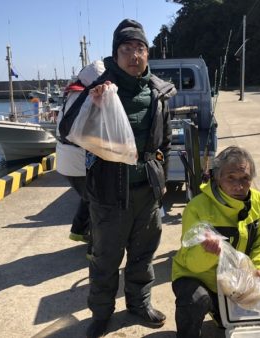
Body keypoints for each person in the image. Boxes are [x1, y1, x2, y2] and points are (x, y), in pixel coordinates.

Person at [84, 19, 177, 338]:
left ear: (147, 54)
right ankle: (101, 313)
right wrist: (92, 104)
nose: (134, 55)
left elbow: (165, 141)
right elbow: (70, 132)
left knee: (143, 254)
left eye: (140, 48)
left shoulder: (159, 92)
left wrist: (161, 178)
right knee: (105, 259)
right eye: (127, 49)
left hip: (146, 191)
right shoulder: (98, 87)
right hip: (109, 192)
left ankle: (139, 304)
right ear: (115, 54)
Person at [171, 146, 260, 338]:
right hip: (197, 275)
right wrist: (207, 251)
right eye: (231, 178)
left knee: (234, 320)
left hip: (235, 280)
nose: (239, 186)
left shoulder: (259, 202)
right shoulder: (197, 207)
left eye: (245, 178)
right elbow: (191, 262)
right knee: (196, 300)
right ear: (217, 178)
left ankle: (220, 311)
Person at [55, 60, 105, 250]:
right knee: (98, 205)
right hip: (78, 161)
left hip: (67, 159)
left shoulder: (74, 94)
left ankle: (78, 230)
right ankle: (96, 250)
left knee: (88, 197)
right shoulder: (86, 97)